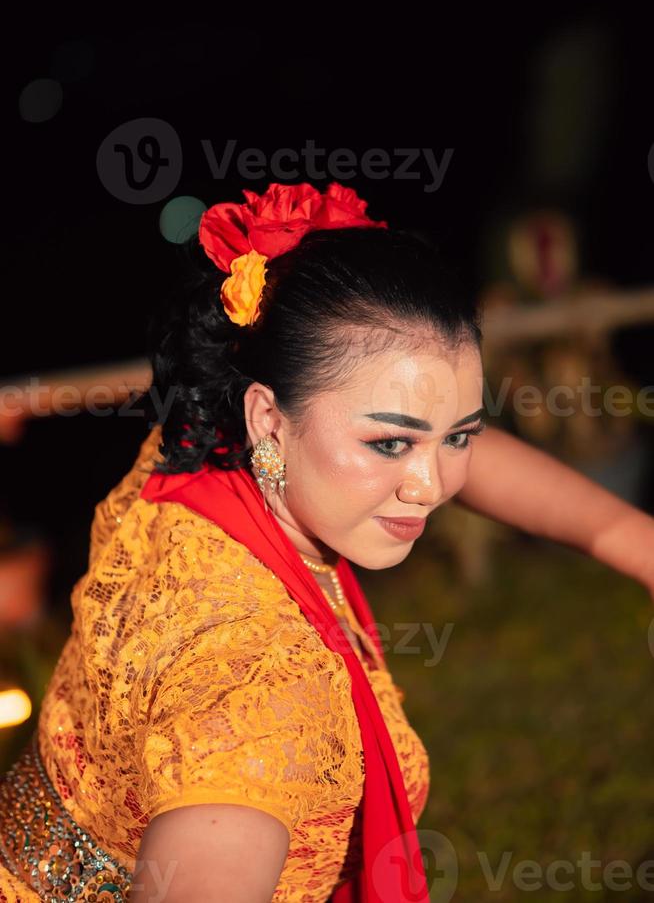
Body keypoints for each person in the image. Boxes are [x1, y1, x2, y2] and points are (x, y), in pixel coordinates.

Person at [1, 181, 653, 903]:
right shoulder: (260, 694)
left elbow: (435, 439)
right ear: (270, 418)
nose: (430, 486)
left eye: (458, 435)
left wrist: (629, 536)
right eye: (390, 443)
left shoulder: (196, 451)